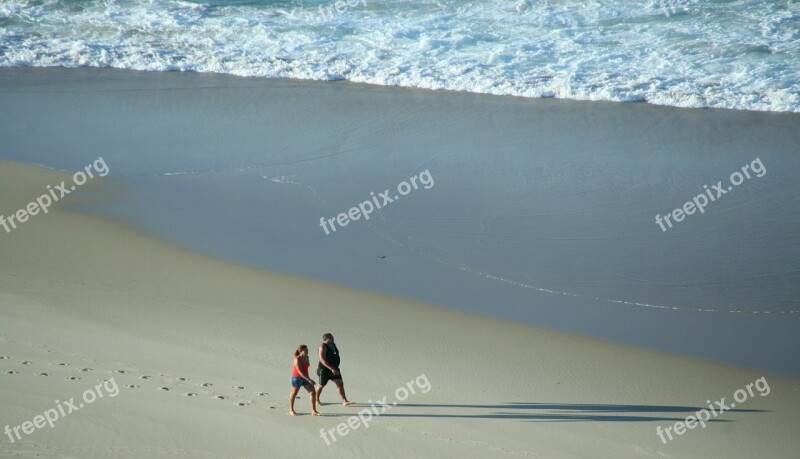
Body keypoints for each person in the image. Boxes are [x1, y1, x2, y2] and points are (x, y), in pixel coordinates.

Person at [316, 333, 353, 406]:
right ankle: (316, 399)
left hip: (335, 368)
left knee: (340, 383)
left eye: (332, 337)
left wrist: (335, 366)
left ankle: (344, 401)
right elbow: (322, 359)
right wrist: (331, 368)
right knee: (321, 385)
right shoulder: (323, 347)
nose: (333, 339)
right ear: (326, 339)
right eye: (331, 338)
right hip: (324, 370)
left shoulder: (333, 344)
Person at [289, 344, 321, 416]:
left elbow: (306, 369)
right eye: (305, 350)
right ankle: (291, 410)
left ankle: (314, 411)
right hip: (296, 378)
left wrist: (308, 378)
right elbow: (300, 372)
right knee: (294, 394)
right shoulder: (297, 359)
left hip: (305, 378)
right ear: (301, 351)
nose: (307, 351)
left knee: (313, 392)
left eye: (307, 350)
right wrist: (309, 379)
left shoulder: (306, 357)